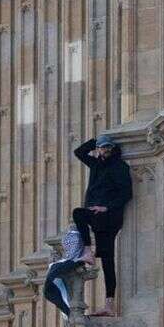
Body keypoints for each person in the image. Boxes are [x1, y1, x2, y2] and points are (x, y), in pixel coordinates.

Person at [72, 134, 132, 317]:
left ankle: (87, 251)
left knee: (78, 213)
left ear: (113, 148)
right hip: (98, 217)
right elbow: (79, 152)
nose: (104, 150)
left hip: (109, 216)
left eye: (107, 147)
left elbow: (126, 193)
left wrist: (106, 207)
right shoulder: (96, 165)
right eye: (101, 147)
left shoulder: (120, 167)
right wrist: (96, 141)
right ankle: (109, 304)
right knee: (107, 261)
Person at [43, 225, 85, 317]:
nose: (54, 256)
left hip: (71, 305)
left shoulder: (58, 266)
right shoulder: (56, 267)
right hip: (70, 306)